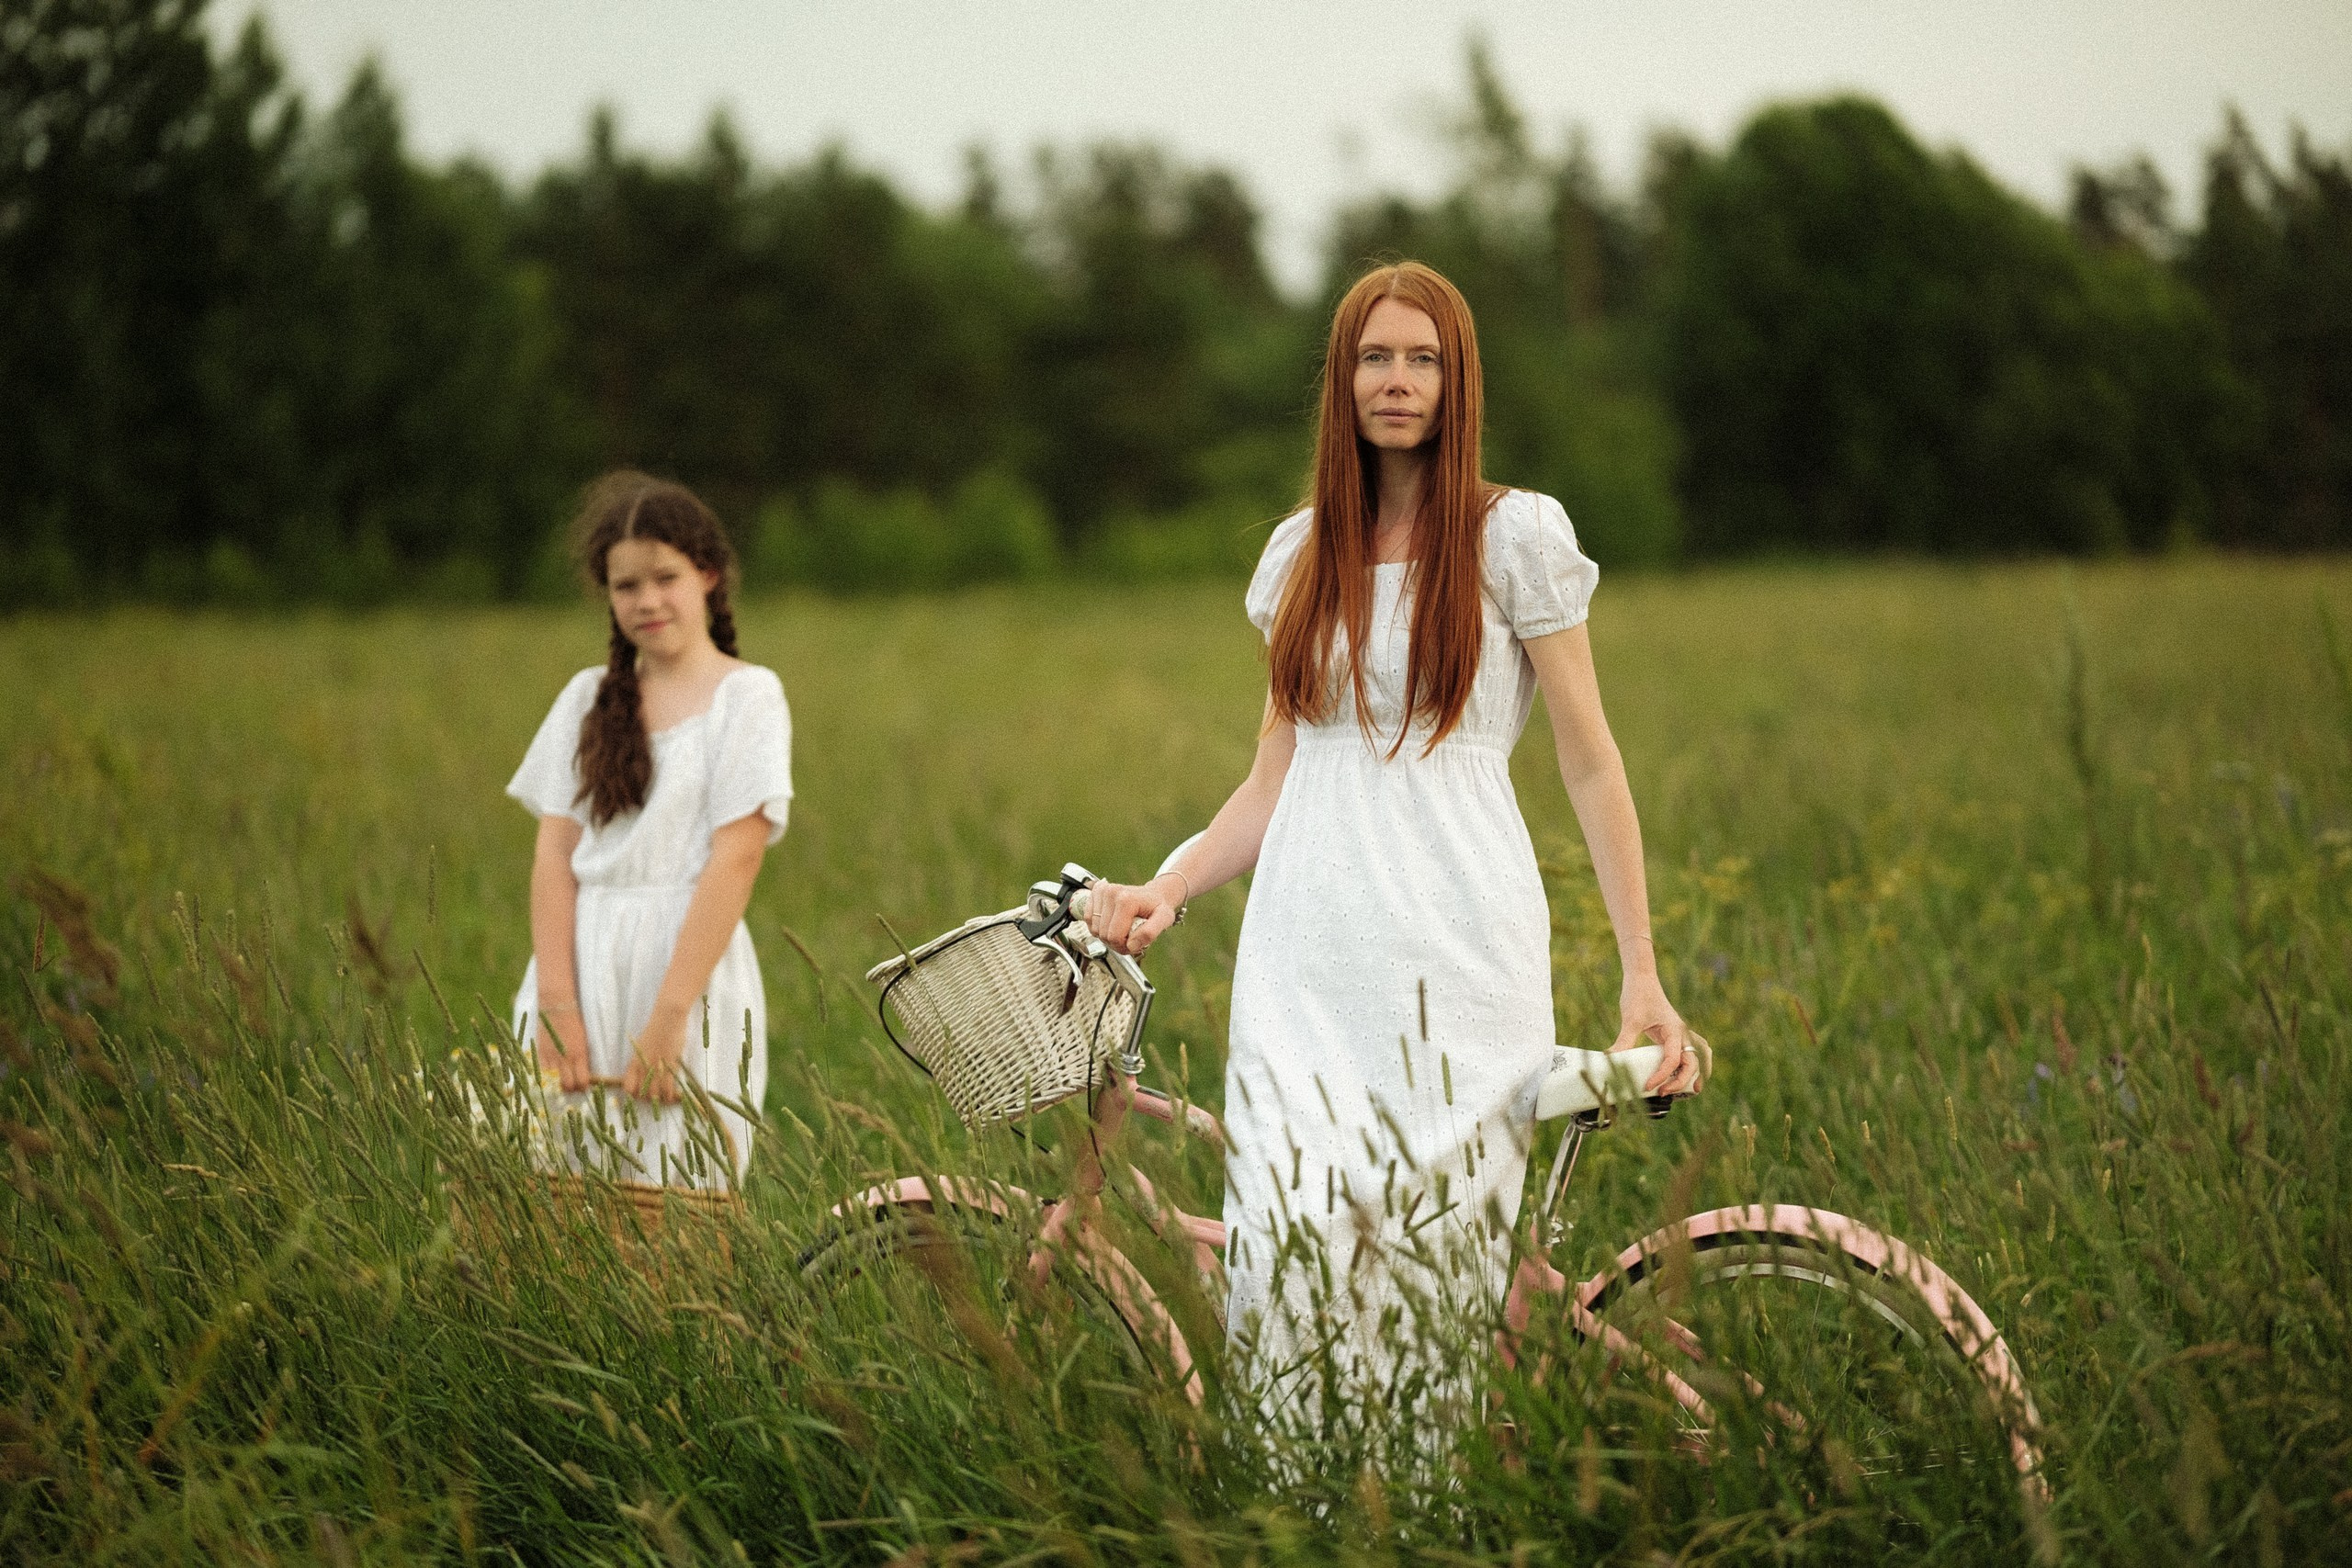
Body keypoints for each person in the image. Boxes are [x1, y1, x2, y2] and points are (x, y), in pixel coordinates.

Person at [1083, 262, 1702, 1439]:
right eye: (1375, 357)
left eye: (1424, 359)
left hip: (1455, 937)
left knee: (1432, 1256)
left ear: (1458, 381)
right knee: (1294, 1242)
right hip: (1305, 953)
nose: (1398, 380)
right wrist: (1169, 884)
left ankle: (1431, 1500)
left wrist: (1642, 970)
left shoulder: (1513, 535)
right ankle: (1310, 1500)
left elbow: (1589, 759)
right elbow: (1274, 778)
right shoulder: (1299, 554)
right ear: (1342, 379)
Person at [505, 471, 792, 1190]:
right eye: (626, 585)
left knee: (679, 1183)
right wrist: (556, 1003)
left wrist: (671, 1016)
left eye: (666, 577)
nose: (647, 600)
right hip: (580, 960)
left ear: (708, 574)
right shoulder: (587, 698)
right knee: (558, 1182)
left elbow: (737, 858)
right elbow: (554, 854)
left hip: (685, 969)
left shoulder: (747, 697)